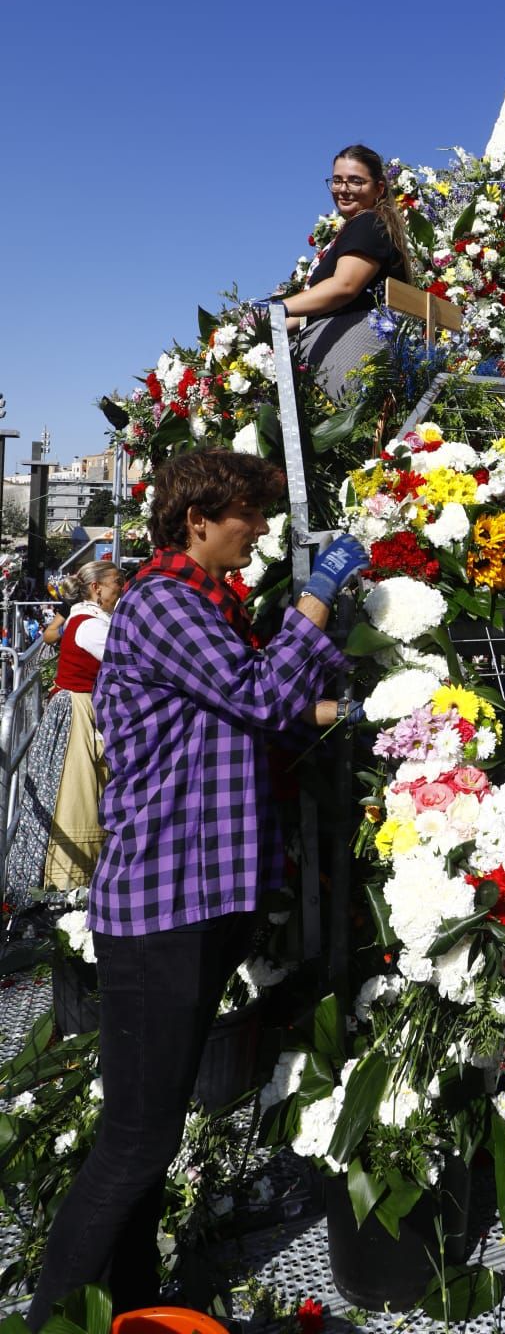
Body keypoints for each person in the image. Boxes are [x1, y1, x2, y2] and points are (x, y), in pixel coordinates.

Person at [27, 448, 370, 1326]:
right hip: (162, 910)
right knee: (134, 1144)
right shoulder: (165, 603)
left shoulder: (209, 604)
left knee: (152, 1135)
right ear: (198, 520)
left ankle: (135, 1305)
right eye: (249, 513)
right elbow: (258, 694)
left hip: (203, 899)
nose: (260, 529)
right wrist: (317, 595)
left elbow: (238, 713)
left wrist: (356, 710)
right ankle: (53, 1318)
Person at [6, 561, 126, 907]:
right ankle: (66, 889)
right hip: (80, 712)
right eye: (117, 582)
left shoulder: (85, 618)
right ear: (97, 588)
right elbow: (133, 661)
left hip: (79, 708)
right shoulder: (90, 626)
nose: (122, 588)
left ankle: (68, 886)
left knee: (73, 791)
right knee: (76, 797)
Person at [282, 144, 413, 400]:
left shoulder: (368, 223)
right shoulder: (356, 228)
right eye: (337, 180)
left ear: (379, 188)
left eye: (355, 181)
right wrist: (259, 327)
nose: (343, 189)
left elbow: (345, 286)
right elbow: (314, 310)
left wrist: (279, 308)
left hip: (353, 354)